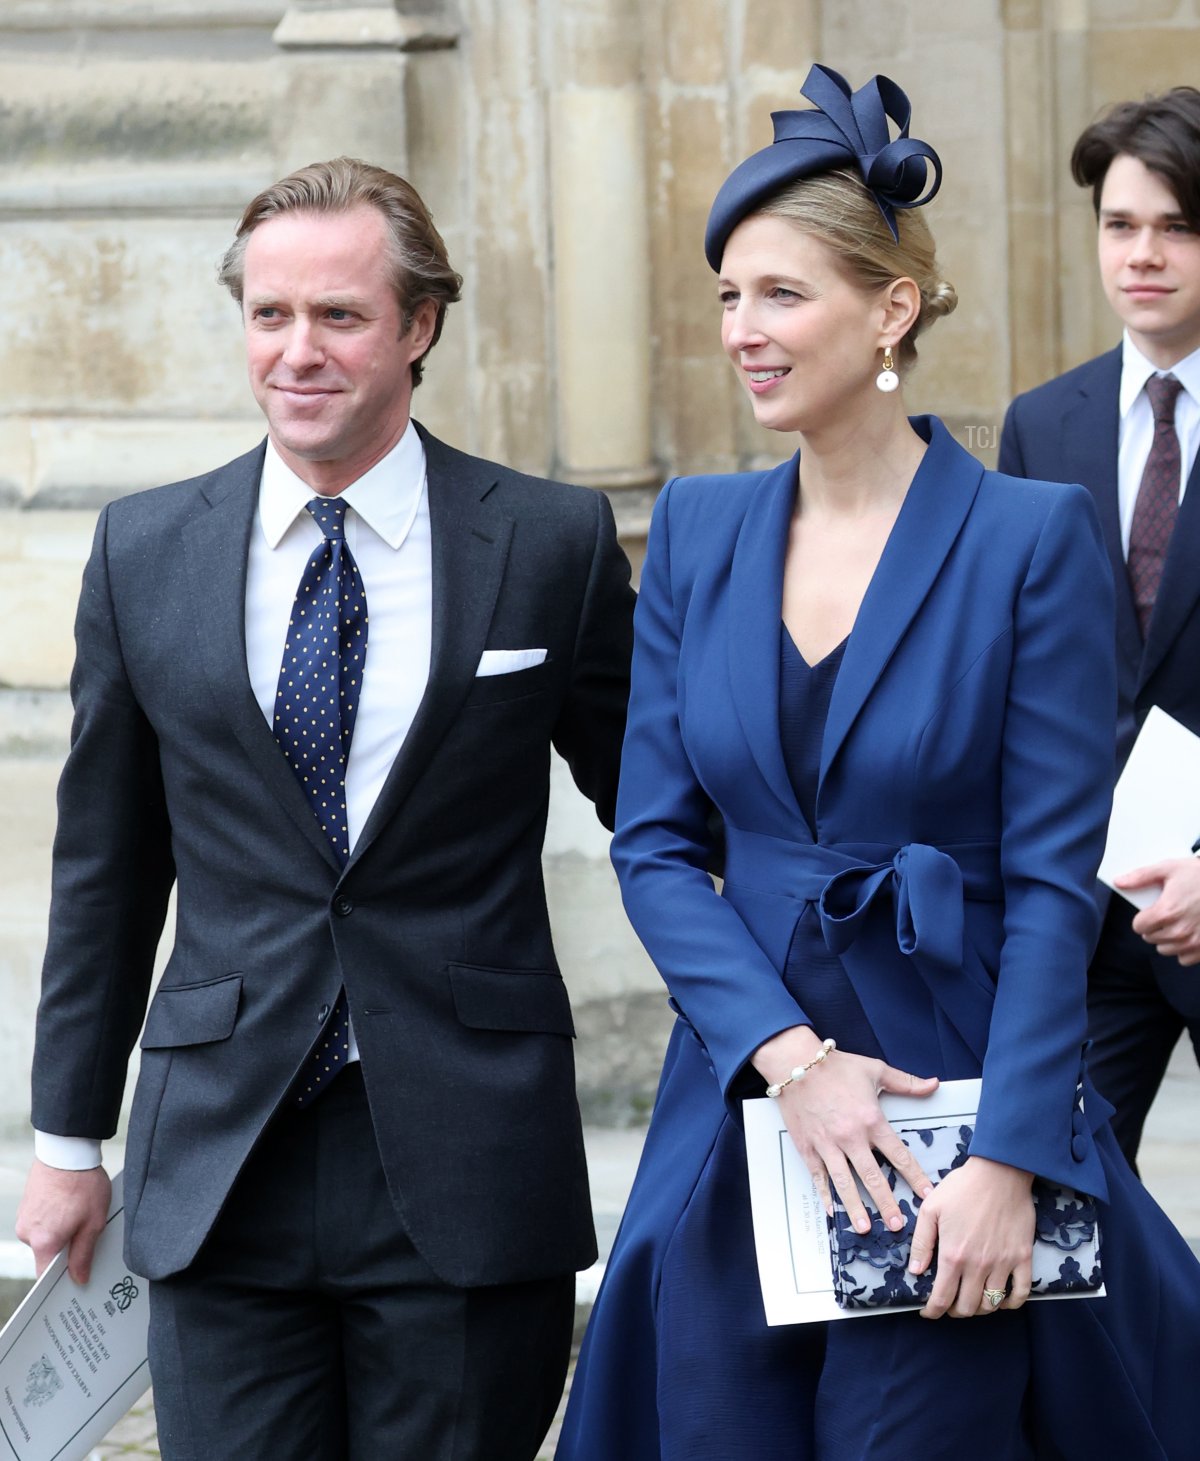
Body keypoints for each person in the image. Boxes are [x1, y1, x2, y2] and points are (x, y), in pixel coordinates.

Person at [557, 65, 1200, 1461]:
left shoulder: (1031, 536)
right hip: (751, 1092)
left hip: (949, 1099)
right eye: (728, 296)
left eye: (781, 295)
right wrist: (790, 1061)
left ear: (890, 308)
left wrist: (1011, 1160)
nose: (742, 331)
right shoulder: (699, 526)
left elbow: (1048, 883)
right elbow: (657, 847)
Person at [16, 157, 634, 1461]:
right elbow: (106, 872)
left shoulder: (551, 543)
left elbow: (665, 812)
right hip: (220, 1164)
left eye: (339, 316)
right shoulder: (143, 551)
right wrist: (68, 1139)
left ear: (418, 327)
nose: (297, 350)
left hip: (466, 1158)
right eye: (268, 314)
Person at [999, 88, 1200, 1169]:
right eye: (1122, 226)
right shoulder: (1043, 423)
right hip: (1087, 912)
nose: (1145, 254)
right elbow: (1026, 673)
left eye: (1177, 226)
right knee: (1057, 1205)